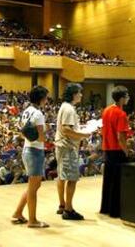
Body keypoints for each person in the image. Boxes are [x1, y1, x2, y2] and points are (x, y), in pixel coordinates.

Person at [13, 86, 50, 228]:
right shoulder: (38, 114)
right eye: (46, 98)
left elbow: (23, 132)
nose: (47, 100)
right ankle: (32, 220)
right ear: (41, 99)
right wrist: (46, 136)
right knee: (34, 188)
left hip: (27, 149)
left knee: (33, 186)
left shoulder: (26, 111)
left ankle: (18, 213)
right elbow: (41, 138)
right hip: (35, 152)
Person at [54, 83, 91, 220]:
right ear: (74, 94)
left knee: (62, 175)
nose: (81, 95)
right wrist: (84, 135)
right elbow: (66, 130)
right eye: (79, 93)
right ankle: (68, 210)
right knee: (72, 178)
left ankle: (62, 205)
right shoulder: (69, 109)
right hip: (67, 147)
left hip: (62, 146)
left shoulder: (65, 106)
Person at [100, 86, 130, 218]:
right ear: (122, 98)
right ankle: (115, 211)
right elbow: (121, 137)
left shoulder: (106, 110)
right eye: (127, 96)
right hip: (117, 150)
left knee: (108, 180)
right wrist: (126, 151)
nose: (128, 98)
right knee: (117, 182)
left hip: (107, 149)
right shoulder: (121, 114)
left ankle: (105, 208)